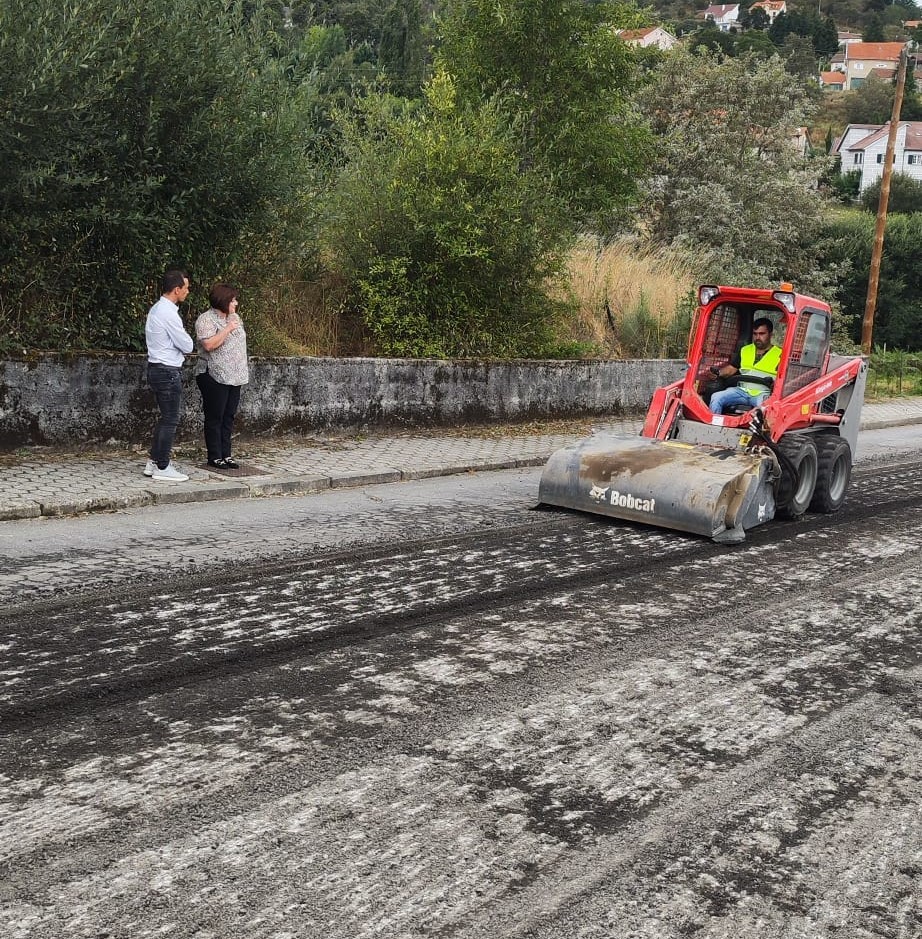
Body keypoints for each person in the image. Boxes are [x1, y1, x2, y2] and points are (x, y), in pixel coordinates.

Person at [144, 270, 194, 481]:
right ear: (176, 289)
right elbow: (187, 345)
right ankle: (163, 467)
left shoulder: (157, 309)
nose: (187, 291)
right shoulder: (169, 314)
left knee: (165, 418)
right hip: (167, 370)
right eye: (186, 288)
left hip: (157, 367)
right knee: (171, 419)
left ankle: (154, 461)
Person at [194, 283, 249, 469]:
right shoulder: (206, 320)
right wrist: (226, 329)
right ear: (223, 300)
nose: (236, 303)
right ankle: (214, 455)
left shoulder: (235, 318)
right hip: (214, 374)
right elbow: (209, 345)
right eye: (233, 300)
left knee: (229, 416)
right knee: (215, 416)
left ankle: (227, 454)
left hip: (235, 375)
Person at [708, 318, 782, 415]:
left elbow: (783, 378)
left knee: (765, 409)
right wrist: (718, 373)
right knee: (716, 397)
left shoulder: (780, 354)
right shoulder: (745, 350)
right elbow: (731, 369)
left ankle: (761, 430)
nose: (757, 337)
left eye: (761, 334)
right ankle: (714, 427)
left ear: (771, 334)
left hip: (763, 393)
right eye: (755, 334)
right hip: (741, 391)